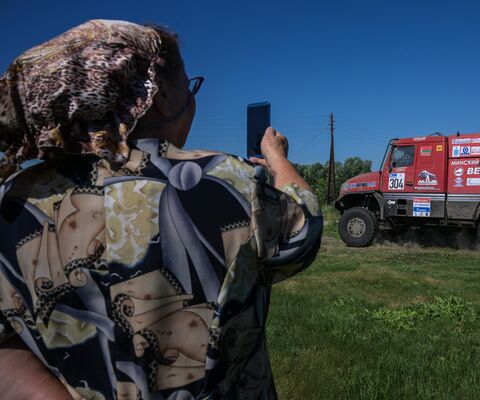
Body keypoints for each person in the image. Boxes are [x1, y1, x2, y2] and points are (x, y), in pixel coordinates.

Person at [0, 20, 322, 399]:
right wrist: (277, 157)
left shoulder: (11, 201)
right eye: (190, 85)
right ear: (161, 95)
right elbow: (305, 229)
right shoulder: (226, 180)